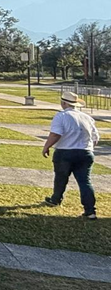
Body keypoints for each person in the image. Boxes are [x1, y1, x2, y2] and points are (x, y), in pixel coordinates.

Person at [43, 91, 101, 219]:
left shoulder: (61, 116)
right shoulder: (86, 117)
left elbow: (55, 134)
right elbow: (95, 138)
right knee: (85, 181)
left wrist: (46, 146)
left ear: (63, 103)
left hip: (65, 151)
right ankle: (90, 210)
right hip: (85, 152)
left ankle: (56, 199)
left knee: (61, 177)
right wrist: (88, 148)